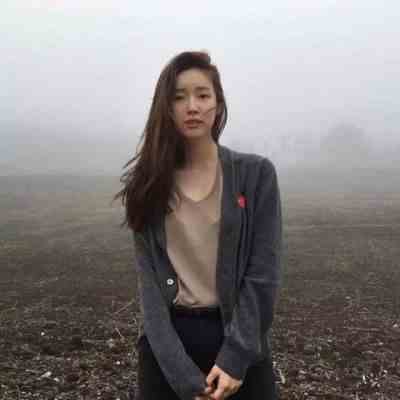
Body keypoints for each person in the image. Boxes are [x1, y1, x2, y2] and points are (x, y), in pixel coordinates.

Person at [114, 51, 282, 400]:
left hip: (240, 345)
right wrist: (184, 378)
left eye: (202, 95)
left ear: (218, 105)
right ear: (166, 108)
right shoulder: (147, 185)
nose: (192, 106)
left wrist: (236, 359)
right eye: (179, 97)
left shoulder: (256, 175)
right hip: (167, 353)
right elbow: (150, 292)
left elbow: (263, 275)